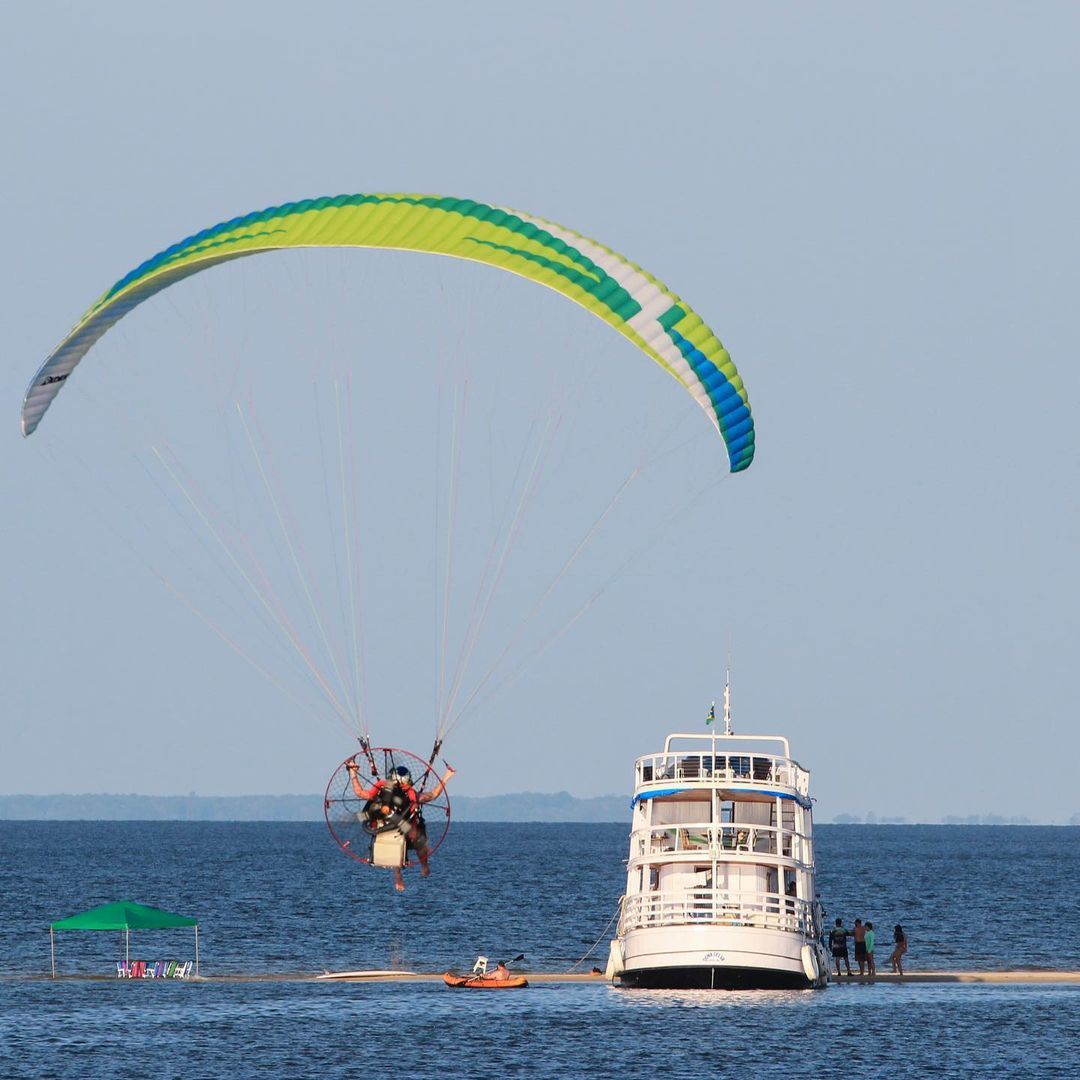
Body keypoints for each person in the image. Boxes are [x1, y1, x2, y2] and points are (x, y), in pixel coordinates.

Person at [347, 759, 455, 891]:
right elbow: (361, 793)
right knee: (399, 840)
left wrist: (447, 776)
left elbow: (432, 795)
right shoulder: (381, 792)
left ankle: (424, 866)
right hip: (386, 826)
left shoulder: (412, 795)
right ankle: (399, 876)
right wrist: (353, 773)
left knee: (418, 840)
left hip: (405, 826)